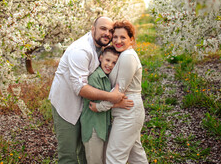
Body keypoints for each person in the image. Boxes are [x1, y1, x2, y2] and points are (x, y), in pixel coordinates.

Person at [48, 16, 125, 164]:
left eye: (110, 30)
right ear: (93, 29)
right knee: (68, 156)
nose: (107, 33)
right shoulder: (81, 50)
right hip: (66, 106)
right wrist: (111, 97)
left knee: (85, 152)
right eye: (103, 28)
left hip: (84, 108)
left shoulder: (101, 48)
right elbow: (80, 88)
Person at [89, 20, 148, 164]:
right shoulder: (123, 55)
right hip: (126, 110)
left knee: (114, 157)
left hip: (128, 112)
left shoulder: (128, 56)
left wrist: (99, 107)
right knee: (136, 156)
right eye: (115, 37)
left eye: (123, 37)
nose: (118, 41)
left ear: (131, 39)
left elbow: (118, 93)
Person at [81, 46, 133, 164]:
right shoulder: (95, 77)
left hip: (104, 127)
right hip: (93, 128)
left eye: (114, 62)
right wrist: (118, 104)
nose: (110, 65)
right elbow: (95, 105)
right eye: (107, 60)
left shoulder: (109, 78)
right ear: (100, 58)